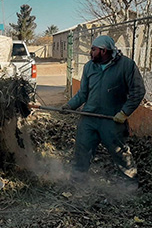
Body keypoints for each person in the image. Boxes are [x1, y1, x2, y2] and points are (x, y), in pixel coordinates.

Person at [62, 35, 145, 186]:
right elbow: (83, 94)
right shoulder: (89, 67)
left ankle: (130, 184)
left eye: (93, 49)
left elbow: (138, 91)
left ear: (104, 50)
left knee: (120, 153)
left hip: (112, 120)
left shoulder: (127, 66)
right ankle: (77, 182)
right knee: (82, 150)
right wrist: (70, 106)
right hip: (89, 118)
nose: (90, 52)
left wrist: (124, 113)